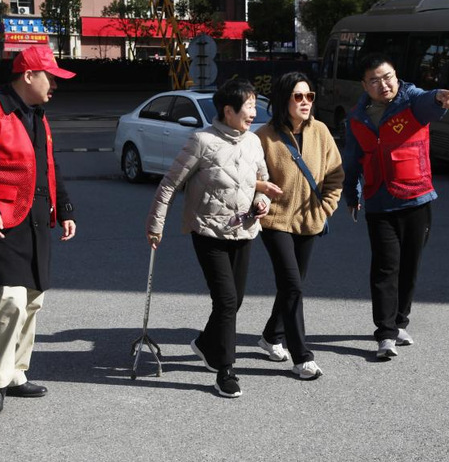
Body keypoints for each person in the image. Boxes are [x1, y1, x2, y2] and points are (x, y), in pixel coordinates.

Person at [0, 44, 77, 418]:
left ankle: (16, 374)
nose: (55, 85)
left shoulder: (38, 115)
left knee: (32, 300)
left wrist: (65, 208)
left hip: (36, 218)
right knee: (10, 299)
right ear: (28, 75)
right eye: (51, 78)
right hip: (1, 219)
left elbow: (49, 165)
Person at [146, 78, 271, 398]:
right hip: (208, 230)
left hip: (244, 229)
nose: (253, 113)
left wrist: (262, 202)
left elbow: (262, 181)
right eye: (248, 107)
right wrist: (156, 225)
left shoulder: (253, 142)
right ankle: (225, 370)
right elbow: (170, 184)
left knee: (235, 300)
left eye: (254, 106)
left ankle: (204, 343)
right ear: (228, 110)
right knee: (226, 300)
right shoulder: (201, 141)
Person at [342, 53, 449, 360]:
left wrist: (440, 98)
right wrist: (352, 195)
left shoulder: (411, 100)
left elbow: (429, 101)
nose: (384, 84)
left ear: (396, 76)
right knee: (385, 267)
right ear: (364, 85)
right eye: (375, 80)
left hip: (416, 198)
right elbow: (352, 160)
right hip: (379, 201)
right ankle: (385, 333)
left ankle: (400, 321)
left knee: (409, 265)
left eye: (388, 77)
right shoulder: (357, 118)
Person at [254, 72, 344, 380]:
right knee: (293, 285)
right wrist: (260, 199)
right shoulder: (264, 136)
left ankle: (270, 336)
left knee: (291, 286)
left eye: (309, 96)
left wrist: (326, 207)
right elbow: (253, 179)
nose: (305, 102)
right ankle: (302, 356)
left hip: (309, 221)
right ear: (284, 100)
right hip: (275, 220)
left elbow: (335, 174)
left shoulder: (320, 131)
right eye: (298, 96)